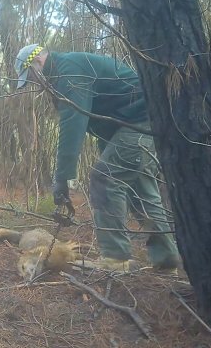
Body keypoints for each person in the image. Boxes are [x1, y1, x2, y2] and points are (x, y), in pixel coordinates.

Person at [14, 44, 179, 273]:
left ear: (38, 63)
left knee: (105, 178)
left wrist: (62, 178)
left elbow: (73, 124)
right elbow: (105, 120)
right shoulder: (63, 71)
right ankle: (167, 257)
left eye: (30, 76)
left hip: (143, 121)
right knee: (140, 190)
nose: (34, 83)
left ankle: (115, 259)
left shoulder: (68, 71)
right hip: (139, 123)